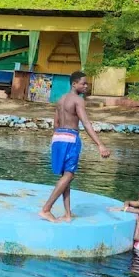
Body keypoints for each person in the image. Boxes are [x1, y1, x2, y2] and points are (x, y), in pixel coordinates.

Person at [40, 70, 110, 222]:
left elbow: (56, 123)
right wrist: (100, 145)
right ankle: (46, 209)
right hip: (70, 138)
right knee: (69, 174)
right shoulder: (78, 100)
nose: (86, 86)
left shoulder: (60, 100)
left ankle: (67, 213)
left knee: (65, 177)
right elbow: (85, 123)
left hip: (58, 137)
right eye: (83, 83)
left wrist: (57, 140)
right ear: (74, 84)